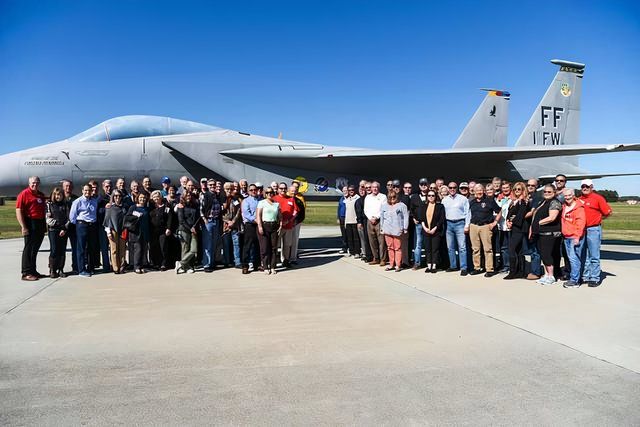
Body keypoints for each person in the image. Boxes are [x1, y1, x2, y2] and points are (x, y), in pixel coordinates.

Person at [579, 179, 613, 287]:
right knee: (584, 255)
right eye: (583, 186)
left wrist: (598, 219)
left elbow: (607, 212)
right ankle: (585, 276)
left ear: (592, 187)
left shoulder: (598, 198)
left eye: (587, 186)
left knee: (594, 255)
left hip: (593, 229)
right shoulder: (579, 199)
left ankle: (594, 277)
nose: (585, 188)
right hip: (582, 229)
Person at [15, 176, 47, 281]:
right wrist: (23, 226)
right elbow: (18, 210)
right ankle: (26, 273)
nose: (35, 184)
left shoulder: (40, 195)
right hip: (30, 222)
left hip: (40, 223)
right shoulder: (24, 194)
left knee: (35, 249)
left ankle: (33, 270)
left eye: (37, 182)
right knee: (28, 249)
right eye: (33, 183)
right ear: (29, 183)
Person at [530, 185, 562, 285]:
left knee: (547, 255)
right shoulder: (543, 201)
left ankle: (551, 276)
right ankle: (547, 274)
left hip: (550, 233)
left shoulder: (554, 202)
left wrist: (538, 223)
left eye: (549, 192)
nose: (547, 193)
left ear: (554, 192)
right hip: (541, 233)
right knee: (543, 254)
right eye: (545, 192)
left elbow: (552, 217)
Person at [468, 184, 501, 277]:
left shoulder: (489, 201)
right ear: (474, 192)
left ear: (483, 191)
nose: (479, 192)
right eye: (477, 190)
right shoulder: (472, 202)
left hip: (485, 227)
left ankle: (489, 269)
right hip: (473, 226)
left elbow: (499, 211)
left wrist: (494, 223)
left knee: (488, 249)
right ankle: (477, 267)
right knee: (475, 249)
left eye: (480, 190)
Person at [69, 183, 99, 277]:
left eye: (89, 190)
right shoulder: (78, 201)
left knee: (91, 247)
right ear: (82, 191)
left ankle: (90, 268)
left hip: (92, 225)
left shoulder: (94, 201)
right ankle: (81, 270)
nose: (87, 192)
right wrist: (79, 224)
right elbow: (72, 216)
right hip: (82, 225)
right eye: (85, 190)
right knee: (81, 248)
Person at [442, 181, 470, 275]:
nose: (452, 189)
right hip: (449, 224)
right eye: (450, 188)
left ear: (457, 188)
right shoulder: (444, 200)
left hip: (460, 223)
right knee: (450, 247)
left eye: (454, 187)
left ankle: (464, 267)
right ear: (448, 189)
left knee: (462, 247)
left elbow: (467, 213)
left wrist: (467, 225)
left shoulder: (463, 199)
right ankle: (453, 266)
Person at [504, 182, 530, 280]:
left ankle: (513, 271)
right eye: (515, 189)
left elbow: (520, 215)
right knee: (518, 250)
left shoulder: (523, 201)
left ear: (523, 190)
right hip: (514, 228)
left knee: (511, 249)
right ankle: (520, 271)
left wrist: (512, 221)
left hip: (519, 228)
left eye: (519, 189)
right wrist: (508, 220)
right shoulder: (514, 202)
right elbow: (509, 214)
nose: (517, 191)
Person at [561, 188, 586, 288]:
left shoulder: (579, 207)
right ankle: (576, 277)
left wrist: (577, 236)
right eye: (565, 196)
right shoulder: (564, 206)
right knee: (572, 258)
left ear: (573, 195)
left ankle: (574, 280)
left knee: (574, 258)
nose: (567, 197)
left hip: (574, 237)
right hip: (566, 236)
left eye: (569, 195)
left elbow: (581, 223)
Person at [380, 192, 409, 272]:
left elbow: (406, 217)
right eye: (390, 197)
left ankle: (398, 265)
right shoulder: (384, 205)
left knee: (397, 248)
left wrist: (405, 228)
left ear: (397, 197)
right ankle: (391, 264)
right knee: (389, 247)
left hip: (397, 229)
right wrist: (381, 228)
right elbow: (382, 217)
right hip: (387, 229)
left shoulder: (402, 205)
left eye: (394, 196)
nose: (392, 198)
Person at [256, 187, 281, 274]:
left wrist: (280, 224)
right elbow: (258, 215)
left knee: (274, 248)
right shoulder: (261, 203)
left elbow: (279, 216)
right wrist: (260, 226)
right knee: (265, 248)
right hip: (264, 225)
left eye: (271, 192)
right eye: (267, 192)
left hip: (274, 226)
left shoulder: (277, 204)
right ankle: (266, 266)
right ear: (265, 194)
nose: (269, 194)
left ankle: (273, 266)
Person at [46, 187, 69, 279]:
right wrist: (57, 224)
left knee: (62, 250)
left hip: (63, 230)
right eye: (56, 194)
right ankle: (52, 269)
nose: (57, 196)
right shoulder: (49, 205)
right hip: (53, 230)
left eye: (59, 194)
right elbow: (48, 219)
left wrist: (64, 228)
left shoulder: (65, 205)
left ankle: (61, 269)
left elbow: (69, 218)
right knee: (54, 250)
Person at [125, 192, 151, 274]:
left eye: (144, 198)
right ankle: (136, 266)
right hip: (136, 232)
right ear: (137, 198)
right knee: (138, 250)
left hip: (145, 231)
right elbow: (127, 217)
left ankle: (141, 265)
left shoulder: (147, 208)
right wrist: (135, 215)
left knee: (143, 249)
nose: (142, 199)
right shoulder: (133, 207)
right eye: (140, 197)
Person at [274, 183, 299, 267]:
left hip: (288, 226)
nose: (283, 190)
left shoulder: (291, 199)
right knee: (275, 244)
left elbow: (295, 211)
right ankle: (273, 261)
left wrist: (289, 220)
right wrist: (279, 221)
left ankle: (286, 261)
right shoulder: (274, 199)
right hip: (278, 227)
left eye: (284, 188)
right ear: (278, 189)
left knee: (287, 245)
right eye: (281, 188)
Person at [200, 179, 222, 272]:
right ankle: (206, 264)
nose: (212, 186)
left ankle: (212, 263)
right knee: (208, 244)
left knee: (214, 243)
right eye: (211, 185)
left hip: (216, 221)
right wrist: (205, 220)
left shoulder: (217, 196)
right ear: (208, 186)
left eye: (214, 185)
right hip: (208, 221)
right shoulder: (205, 195)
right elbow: (201, 209)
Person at [421, 189, 446, 273]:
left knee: (435, 249)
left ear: (435, 197)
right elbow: (422, 219)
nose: (431, 197)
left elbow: (441, 219)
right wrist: (425, 228)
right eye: (429, 196)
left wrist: (435, 228)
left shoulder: (440, 206)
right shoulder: (424, 206)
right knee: (428, 249)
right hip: (426, 231)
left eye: (433, 195)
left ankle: (434, 265)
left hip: (436, 231)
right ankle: (428, 265)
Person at [103, 190, 127, 274]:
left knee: (122, 249)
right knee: (114, 250)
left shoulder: (124, 207)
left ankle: (122, 266)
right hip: (113, 230)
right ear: (113, 197)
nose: (117, 197)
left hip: (123, 230)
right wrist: (108, 232)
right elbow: (107, 220)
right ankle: (115, 267)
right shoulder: (110, 208)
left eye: (119, 196)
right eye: (115, 196)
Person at [149, 190, 174, 271]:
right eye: (154, 197)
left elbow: (170, 218)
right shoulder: (151, 207)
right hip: (153, 231)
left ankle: (164, 263)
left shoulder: (166, 206)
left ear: (161, 197)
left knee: (163, 247)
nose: (156, 198)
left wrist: (168, 228)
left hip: (163, 230)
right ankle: (156, 263)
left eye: (157, 196)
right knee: (155, 247)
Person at [364, 181, 388, 266]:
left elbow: (383, 209)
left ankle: (383, 259)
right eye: (373, 187)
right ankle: (376, 258)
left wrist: (376, 217)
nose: (374, 189)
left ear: (378, 188)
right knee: (372, 241)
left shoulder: (383, 197)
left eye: (376, 187)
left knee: (382, 242)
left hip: (379, 221)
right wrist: (371, 218)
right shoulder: (368, 197)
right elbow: (366, 209)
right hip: (370, 221)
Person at [176, 192, 200, 274]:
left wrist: (194, 228)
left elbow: (196, 217)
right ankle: (186, 267)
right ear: (183, 197)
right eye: (186, 195)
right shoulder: (181, 206)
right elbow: (181, 221)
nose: (188, 197)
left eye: (189, 195)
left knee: (193, 249)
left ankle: (181, 263)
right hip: (184, 230)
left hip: (193, 229)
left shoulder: (194, 205)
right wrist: (190, 228)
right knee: (185, 249)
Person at [524, 178, 543, 280]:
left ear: (537, 187)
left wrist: (518, 217)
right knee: (528, 250)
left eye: (533, 185)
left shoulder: (537, 197)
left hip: (533, 227)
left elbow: (532, 212)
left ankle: (536, 272)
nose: (530, 187)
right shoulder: (526, 196)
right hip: (525, 227)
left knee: (534, 250)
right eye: (528, 185)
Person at [409, 178, 429, 269]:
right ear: (419, 186)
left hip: (429, 224)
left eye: (425, 184)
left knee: (429, 243)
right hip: (419, 224)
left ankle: (430, 263)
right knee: (418, 244)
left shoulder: (431, 195)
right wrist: (413, 218)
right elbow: (411, 209)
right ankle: (417, 262)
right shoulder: (414, 197)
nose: (423, 186)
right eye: (422, 184)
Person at [221, 185, 243, 268]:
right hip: (225, 225)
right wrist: (227, 221)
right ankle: (227, 261)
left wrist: (233, 221)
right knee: (226, 244)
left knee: (236, 244)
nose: (229, 190)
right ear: (224, 189)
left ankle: (237, 262)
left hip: (234, 225)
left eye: (230, 189)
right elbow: (220, 212)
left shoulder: (236, 199)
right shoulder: (222, 199)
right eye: (227, 189)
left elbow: (238, 211)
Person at [241, 183, 260, 274]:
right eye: (251, 190)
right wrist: (255, 219)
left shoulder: (260, 200)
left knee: (258, 245)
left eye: (255, 190)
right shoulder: (246, 201)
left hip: (259, 225)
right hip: (250, 225)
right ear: (249, 191)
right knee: (247, 245)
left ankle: (257, 264)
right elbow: (246, 213)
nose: (253, 191)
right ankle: (245, 265)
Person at [496, 181, 513, 272]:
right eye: (504, 188)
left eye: (507, 187)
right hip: (501, 226)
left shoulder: (514, 198)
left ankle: (513, 266)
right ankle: (506, 266)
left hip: (510, 226)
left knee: (512, 247)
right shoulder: (499, 198)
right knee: (503, 247)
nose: (505, 189)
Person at [97, 179, 112, 272]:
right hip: (103, 226)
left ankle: (114, 265)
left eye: (110, 186)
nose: (108, 188)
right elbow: (97, 211)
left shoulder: (114, 196)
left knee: (114, 247)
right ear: (103, 187)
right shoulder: (100, 198)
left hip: (113, 225)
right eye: (106, 186)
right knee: (104, 247)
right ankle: (106, 267)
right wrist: (105, 208)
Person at [355, 181, 372, 262]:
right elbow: (358, 212)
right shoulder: (358, 201)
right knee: (364, 238)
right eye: (361, 187)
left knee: (370, 239)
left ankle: (370, 255)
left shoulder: (369, 198)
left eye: (363, 187)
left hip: (369, 220)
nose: (362, 189)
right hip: (362, 221)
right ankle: (366, 254)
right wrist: (359, 222)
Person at [290, 181, 306, 262]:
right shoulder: (287, 196)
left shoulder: (300, 198)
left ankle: (293, 257)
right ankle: (285, 257)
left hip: (296, 222)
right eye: (294, 187)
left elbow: (303, 211)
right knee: (286, 241)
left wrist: (298, 221)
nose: (295, 190)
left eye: (296, 188)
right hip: (288, 222)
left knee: (295, 240)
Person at [343, 185, 361, 257]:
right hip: (348, 221)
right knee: (349, 238)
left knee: (356, 238)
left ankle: (357, 252)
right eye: (349, 190)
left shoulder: (357, 198)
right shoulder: (347, 199)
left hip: (355, 220)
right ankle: (351, 251)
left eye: (352, 190)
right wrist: (345, 222)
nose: (351, 191)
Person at [337, 186, 348, 254]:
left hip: (348, 218)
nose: (345, 192)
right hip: (342, 218)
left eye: (346, 190)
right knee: (343, 234)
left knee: (349, 234)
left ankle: (350, 248)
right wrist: (338, 217)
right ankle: (344, 247)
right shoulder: (341, 199)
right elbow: (339, 208)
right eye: (344, 191)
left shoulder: (350, 198)